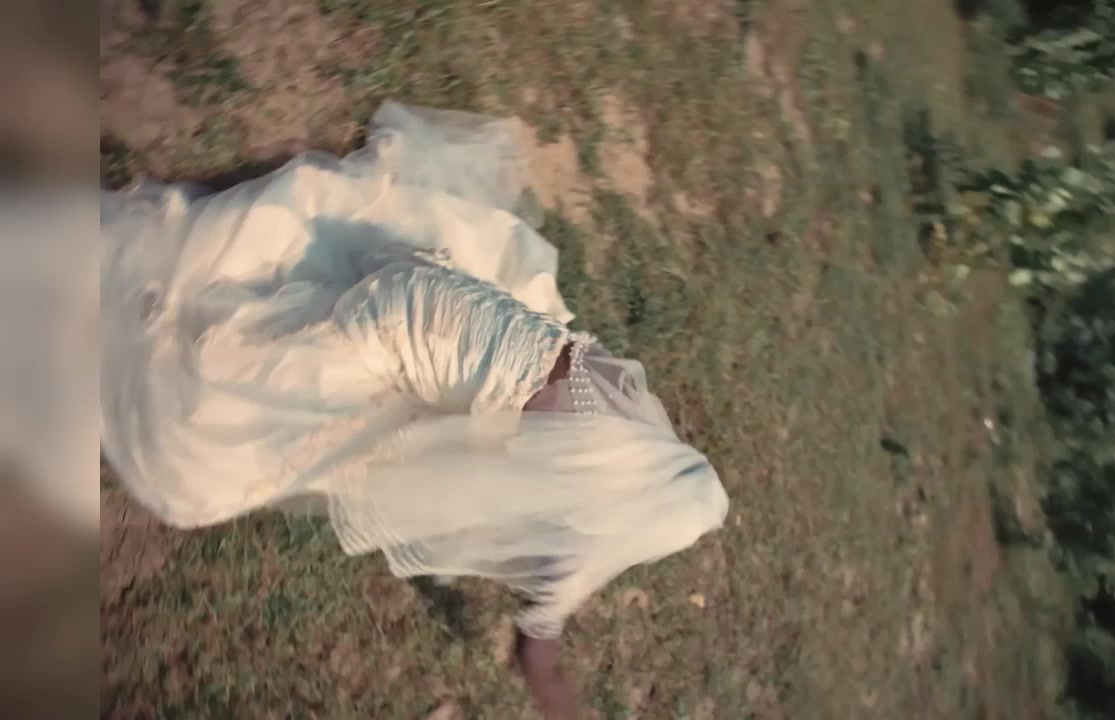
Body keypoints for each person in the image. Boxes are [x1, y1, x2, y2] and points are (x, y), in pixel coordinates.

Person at [99, 104, 728, 720]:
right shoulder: (585, 498)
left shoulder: (617, 401)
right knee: (223, 447)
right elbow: (537, 649)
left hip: (438, 290)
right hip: (398, 325)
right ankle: (139, 315)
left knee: (432, 402)